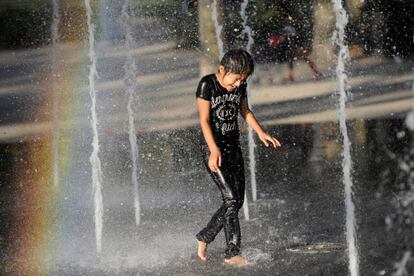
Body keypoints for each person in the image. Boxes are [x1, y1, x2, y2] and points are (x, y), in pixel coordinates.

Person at [195, 49, 282, 266]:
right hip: (213, 148)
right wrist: (214, 150)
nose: (237, 84)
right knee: (231, 199)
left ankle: (205, 236)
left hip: (233, 146)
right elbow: (204, 121)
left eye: (242, 80)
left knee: (237, 200)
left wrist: (261, 132)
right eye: (235, 79)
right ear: (222, 70)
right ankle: (232, 253)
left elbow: (245, 111)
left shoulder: (240, 85)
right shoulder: (207, 85)